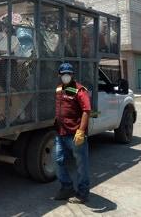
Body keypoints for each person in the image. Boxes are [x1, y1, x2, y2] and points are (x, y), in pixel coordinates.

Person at [54, 62, 91, 204]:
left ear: (72, 75)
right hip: (60, 132)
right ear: (59, 75)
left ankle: (83, 193)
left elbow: (86, 111)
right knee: (58, 160)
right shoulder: (58, 89)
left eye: (68, 74)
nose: (66, 76)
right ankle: (67, 187)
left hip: (75, 134)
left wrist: (81, 131)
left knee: (81, 164)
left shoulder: (80, 90)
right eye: (63, 74)